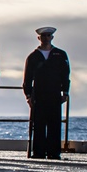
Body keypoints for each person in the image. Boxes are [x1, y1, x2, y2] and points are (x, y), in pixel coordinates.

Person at [22, 26, 70, 160]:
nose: (46, 38)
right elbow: (27, 78)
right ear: (39, 38)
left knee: (54, 124)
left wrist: (65, 92)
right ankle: (39, 152)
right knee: (39, 125)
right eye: (43, 36)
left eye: (48, 36)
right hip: (39, 94)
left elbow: (65, 75)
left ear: (52, 37)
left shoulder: (60, 55)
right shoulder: (33, 57)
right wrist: (28, 95)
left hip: (54, 94)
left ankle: (54, 152)